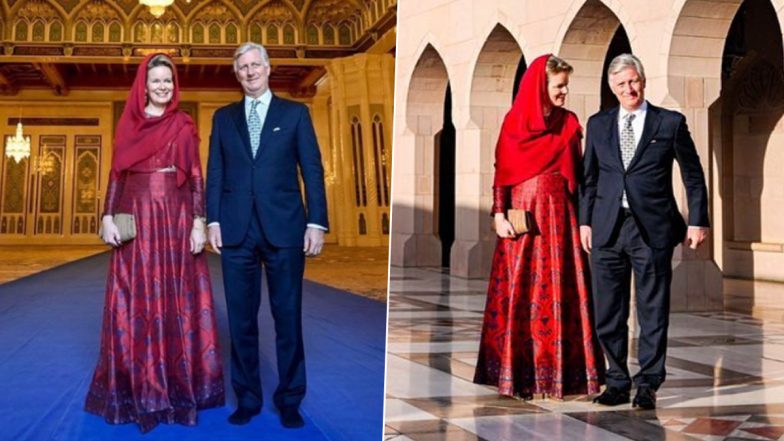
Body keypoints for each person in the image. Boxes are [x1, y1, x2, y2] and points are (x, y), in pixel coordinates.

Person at [85, 53, 224, 432]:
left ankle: (180, 388)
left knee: (178, 297)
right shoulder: (129, 124)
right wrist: (107, 215)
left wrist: (198, 222)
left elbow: (196, 175)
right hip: (136, 214)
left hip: (176, 216)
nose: (163, 86)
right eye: (156, 81)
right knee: (134, 298)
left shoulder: (183, 124)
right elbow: (116, 174)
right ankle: (137, 389)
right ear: (144, 85)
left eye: (168, 81)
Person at [205, 42, 328, 429]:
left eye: (256, 64)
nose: (250, 71)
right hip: (236, 230)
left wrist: (316, 222)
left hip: (286, 228)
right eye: (242, 67)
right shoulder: (223, 119)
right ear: (236, 73)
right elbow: (216, 173)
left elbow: (312, 169)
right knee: (240, 319)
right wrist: (212, 221)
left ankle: (290, 399)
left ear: (269, 68)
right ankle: (247, 398)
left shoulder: (295, 114)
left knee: (287, 316)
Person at [580, 53, 710, 409]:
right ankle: (617, 380)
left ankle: (649, 383)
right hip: (607, 228)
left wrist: (698, 219)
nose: (629, 89)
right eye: (621, 84)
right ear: (612, 88)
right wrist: (585, 221)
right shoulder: (597, 124)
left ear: (644, 80)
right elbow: (588, 179)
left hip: (651, 229)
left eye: (633, 81)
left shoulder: (669, 122)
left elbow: (693, 174)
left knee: (652, 309)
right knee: (608, 310)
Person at [473, 54, 605, 399]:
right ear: (539, 87)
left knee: (562, 293)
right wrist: (499, 215)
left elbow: (581, 176)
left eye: (566, 86)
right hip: (523, 221)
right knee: (523, 294)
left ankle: (565, 376)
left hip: (561, 218)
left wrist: (585, 220)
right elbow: (501, 172)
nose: (564, 92)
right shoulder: (514, 123)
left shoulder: (569, 122)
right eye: (559, 86)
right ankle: (522, 377)